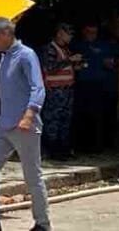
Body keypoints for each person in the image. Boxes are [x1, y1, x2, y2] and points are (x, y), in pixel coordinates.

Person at [0, 17, 50, 231]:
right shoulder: (4, 56)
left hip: (24, 125)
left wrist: (30, 114)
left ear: (5, 34)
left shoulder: (26, 55)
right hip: (4, 125)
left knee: (32, 176)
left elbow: (38, 88)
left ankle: (42, 224)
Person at [72, 22, 119, 153]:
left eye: (94, 32)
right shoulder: (78, 45)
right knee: (83, 116)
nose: (91, 35)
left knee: (99, 117)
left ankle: (99, 145)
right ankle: (82, 145)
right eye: (89, 32)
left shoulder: (105, 45)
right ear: (84, 32)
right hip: (83, 84)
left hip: (100, 85)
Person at [41, 23, 81, 160]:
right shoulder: (50, 49)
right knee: (53, 120)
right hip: (55, 91)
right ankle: (52, 149)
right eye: (67, 33)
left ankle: (63, 149)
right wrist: (69, 60)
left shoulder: (66, 50)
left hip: (67, 89)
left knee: (65, 121)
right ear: (59, 33)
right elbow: (50, 67)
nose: (70, 37)